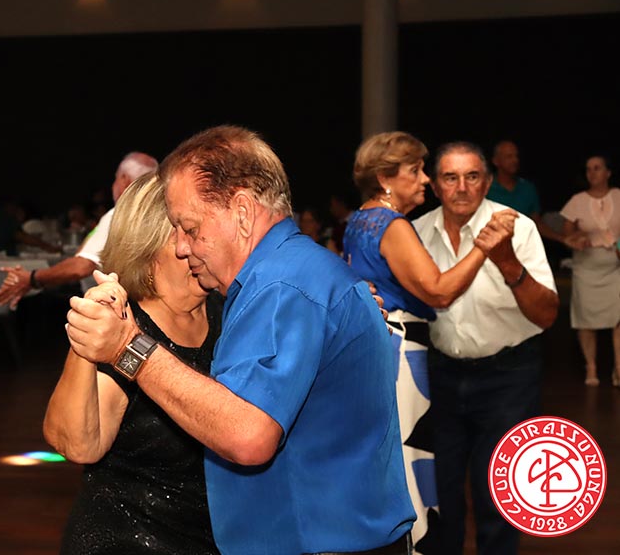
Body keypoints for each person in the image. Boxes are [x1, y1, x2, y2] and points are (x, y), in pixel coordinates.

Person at [66, 126, 415, 555]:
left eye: (189, 228)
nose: (181, 246)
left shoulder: (282, 286)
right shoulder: (293, 274)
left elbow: (247, 436)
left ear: (244, 212)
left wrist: (129, 348)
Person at [344, 131, 517, 554]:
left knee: (395, 456)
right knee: (410, 459)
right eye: (415, 170)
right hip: (402, 354)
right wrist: (483, 247)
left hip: (381, 349)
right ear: (385, 178)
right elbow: (438, 291)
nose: (425, 179)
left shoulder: (359, 219)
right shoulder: (391, 225)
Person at [44, 173, 222, 554]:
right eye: (188, 232)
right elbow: (77, 445)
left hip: (213, 538)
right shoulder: (123, 325)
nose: (201, 244)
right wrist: (88, 338)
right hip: (126, 540)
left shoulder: (226, 311)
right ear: (149, 243)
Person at [413, 142, 558, 555]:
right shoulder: (417, 233)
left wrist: (508, 262)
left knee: (496, 491)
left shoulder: (518, 227)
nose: (461, 187)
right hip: (439, 376)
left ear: (487, 182)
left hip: (508, 377)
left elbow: (547, 315)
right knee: (442, 491)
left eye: (472, 176)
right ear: (435, 186)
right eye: (450, 177)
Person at [0, 152, 158, 308]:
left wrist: (32, 278)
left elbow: (82, 266)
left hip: (111, 306)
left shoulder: (121, 215)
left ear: (124, 179)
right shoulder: (157, 214)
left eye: (115, 179)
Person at [558, 155, 620, 387]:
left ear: (608, 172)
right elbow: (566, 233)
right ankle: (591, 366)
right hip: (586, 268)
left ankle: (619, 368)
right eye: (588, 169)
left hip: (615, 267)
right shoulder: (577, 200)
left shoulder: (618, 195)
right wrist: (576, 237)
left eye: (597, 168)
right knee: (586, 319)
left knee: (619, 317)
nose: (592, 173)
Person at [487, 140, 565, 243]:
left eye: (516, 156)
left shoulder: (527, 188)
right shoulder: (485, 188)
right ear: (496, 161)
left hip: (523, 246)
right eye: (509, 156)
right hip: (491, 246)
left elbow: (536, 223)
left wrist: (563, 239)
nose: (515, 160)